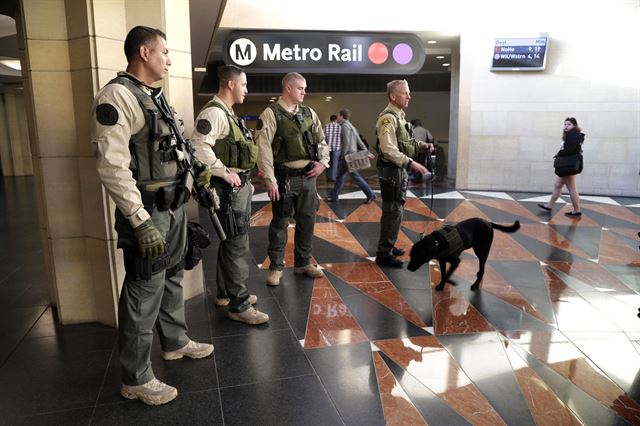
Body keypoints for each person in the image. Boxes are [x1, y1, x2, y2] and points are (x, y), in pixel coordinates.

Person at [92, 26, 214, 406]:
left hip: (173, 205)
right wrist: (139, 219)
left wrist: (198, 175)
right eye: (164, 52)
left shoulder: (154, 97)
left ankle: (175, 341)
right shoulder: (118, 96)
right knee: (144, 290)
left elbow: (173, 149)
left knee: (174, 274)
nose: (169, 59)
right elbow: (112, 165)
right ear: (144, 52)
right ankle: (136, 377)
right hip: (147, 212)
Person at [190, 65, 269, 325]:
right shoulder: (214, 113)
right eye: (244, 85)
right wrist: (226, 173)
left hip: (236, 188)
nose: (246, 90)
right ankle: (240, 304)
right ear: (231, 85)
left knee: (230, 241)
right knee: (237, 244)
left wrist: (243, 178)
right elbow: (199, 147)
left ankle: (226, 293)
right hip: (227, 191)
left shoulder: (227, 114)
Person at [255, 72, 330, 286]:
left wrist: (323, 163)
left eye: (304, 88)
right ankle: (276, 267)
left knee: (307, 220)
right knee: (280, 222)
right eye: (300, 88)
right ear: (288, 88)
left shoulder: (308, 113)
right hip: (284, 177)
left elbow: (321, 141)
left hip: (308, 177)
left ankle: (303, 262)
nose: (304, 92)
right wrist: (269, 179)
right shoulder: (271, 113)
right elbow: (264, 149)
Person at [375, 80, 434, 268]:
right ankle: (383, 253)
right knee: (392, 211)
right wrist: (412, 163)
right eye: (405, 93)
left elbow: (407, 142)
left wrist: (422, 146)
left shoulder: (400, 117)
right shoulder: (388, 118)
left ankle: (389, 246)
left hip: (398, 171)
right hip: (391, 171)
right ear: (393, 96)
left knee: (397, 211)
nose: (409, 96)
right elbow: (388, 149)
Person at [326, 108, 376, 203]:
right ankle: (334, 195)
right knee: (340, 176)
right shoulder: (352, 126)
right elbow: (359, 141)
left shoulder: (344, 126)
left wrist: (343, 155)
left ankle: (370, 194)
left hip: (347, 156)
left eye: (338, 115)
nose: (337, 117)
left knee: (355, 176)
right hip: (351, 155)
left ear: (341, 116)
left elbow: (346, 142)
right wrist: (366, 152)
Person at [538, 117, 585, 216]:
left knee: (571, 187)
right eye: (565, 124)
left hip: (567, 166)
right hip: (567, 165)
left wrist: (559, 154)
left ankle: (577, 210)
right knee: (558, 185)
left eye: (569, 124)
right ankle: (549, 206)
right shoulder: (572, 135)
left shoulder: (574, 135)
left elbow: (569, 150)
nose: (566, 126)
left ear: (574, 125)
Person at [323, 114, 341, 182]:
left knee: (327, 163)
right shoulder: (340, 126)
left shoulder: (326, 126)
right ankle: (333, 178)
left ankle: (328, 177)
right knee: (335, 163)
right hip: (337, 148)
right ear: (336, 119)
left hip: (327, 148)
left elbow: (323, 137)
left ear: (330, 119)